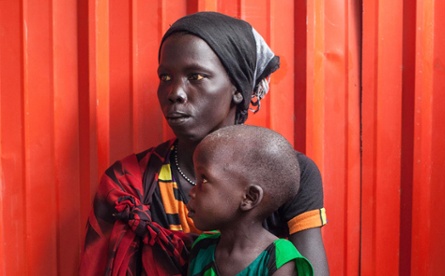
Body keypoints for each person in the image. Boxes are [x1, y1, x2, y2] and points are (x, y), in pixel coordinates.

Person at [80, 11, 328, 276]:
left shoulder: (286, 171)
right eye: (165, 77)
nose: (174, 93)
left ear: (237, 88)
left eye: (195, 76)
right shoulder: (128, 183)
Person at [187, 124, 314, 276]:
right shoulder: (202, 249)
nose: (192, 191)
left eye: (204, 180)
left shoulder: (278, 259)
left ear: (249, 197)